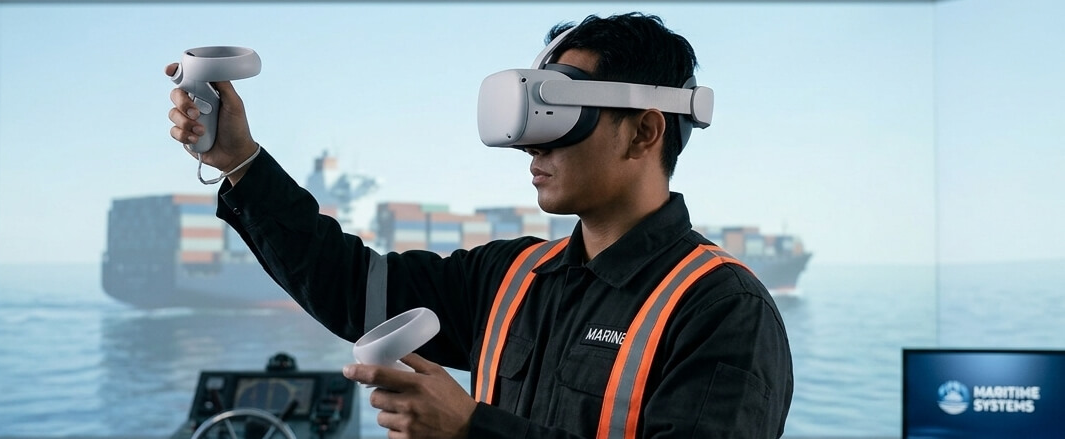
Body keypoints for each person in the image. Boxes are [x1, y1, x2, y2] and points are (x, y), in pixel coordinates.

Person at [167, 12, 792, 439]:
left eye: (561, 117)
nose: (531, 148)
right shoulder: (511, 278)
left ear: (646, 131)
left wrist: (472, 429)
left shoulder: (721, 309)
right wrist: (240, 161)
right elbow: (351, 286)